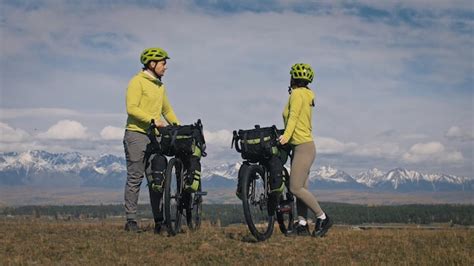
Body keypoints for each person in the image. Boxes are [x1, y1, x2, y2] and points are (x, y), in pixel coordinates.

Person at [123, 47, 179, 233]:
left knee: (157, 179)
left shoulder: (160, 86)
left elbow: (167, 110)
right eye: (163, 63)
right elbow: (132, 108)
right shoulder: (136, 82)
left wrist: (178, 127)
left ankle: (159, 222)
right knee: (135, 178)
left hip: (155, 138)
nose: (166, 67)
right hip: (136, 134)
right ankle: (131, 221)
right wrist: (152, 120)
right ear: (152, 64)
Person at [278, 63, 333, 237]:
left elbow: (293, 116)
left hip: (302, 147)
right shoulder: (306, 94)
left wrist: (285, 137)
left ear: (293, 78)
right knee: (301, 188)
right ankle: (302, 224)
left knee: (294, 188)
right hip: (304, 147)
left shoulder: (296, 94)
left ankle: (323, 217)